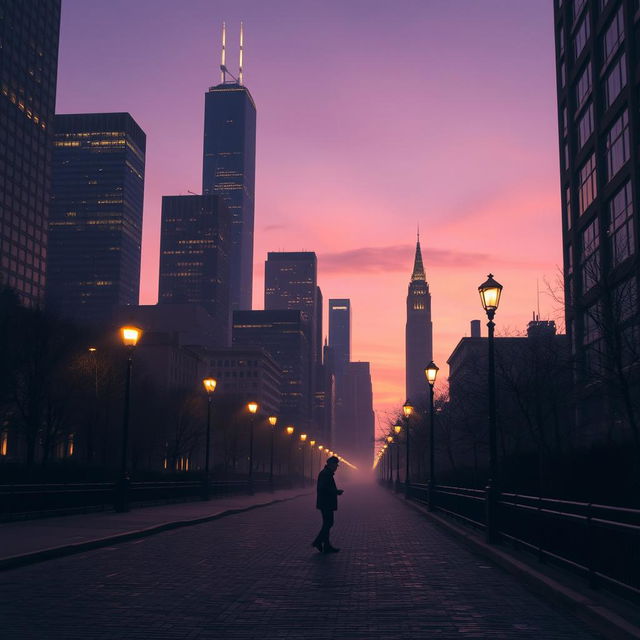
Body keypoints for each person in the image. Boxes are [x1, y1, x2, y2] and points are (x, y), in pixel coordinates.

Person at [311, 455, 343, 553]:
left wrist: (335, 491)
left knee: (327, 523)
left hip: (325, 502)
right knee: (328, 523)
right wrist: (336, 492)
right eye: (335, 465)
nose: (336, 467)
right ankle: (318, 542)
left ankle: (326, 546)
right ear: (331, 464)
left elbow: (325, 488)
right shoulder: (326, 474)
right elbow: (323, 488)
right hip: (326, 503)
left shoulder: (327, 473)